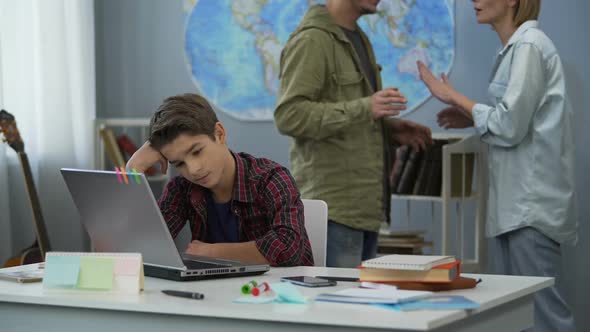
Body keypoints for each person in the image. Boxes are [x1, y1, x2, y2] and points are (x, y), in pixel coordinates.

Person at [418, 1, 576, 331]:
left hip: (528, 210)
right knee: (519, 316)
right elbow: (515, 121)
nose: (474, 1)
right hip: (515, 209)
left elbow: (508, 125)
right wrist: (472, 117)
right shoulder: (513, 49)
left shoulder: (530, 47)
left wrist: (453, 97)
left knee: (543, 316)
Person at [274, 0, 432, 268]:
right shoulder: (312, 40)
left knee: (360, 307)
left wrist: (390, 130)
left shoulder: (358, 38)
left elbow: (347, 114)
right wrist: (365, 108)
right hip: (336, 212)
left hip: (365, 210)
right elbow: (290, 116)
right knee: (337, 307)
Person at [127, 93, 314, 267]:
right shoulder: (182, 188)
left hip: (279, 296)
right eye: (180, 164)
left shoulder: (272, 178)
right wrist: (131, 171)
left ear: (219, 133)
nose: (194, 169)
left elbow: (289, 250)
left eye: (197, 151)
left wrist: (212, 252)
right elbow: (142, 246)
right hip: (216, 296)